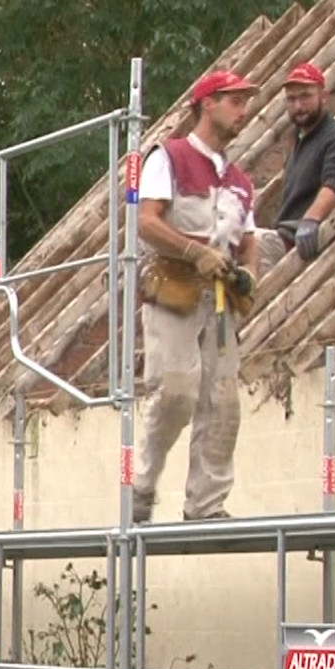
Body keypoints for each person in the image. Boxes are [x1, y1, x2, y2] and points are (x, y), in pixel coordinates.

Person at [131, 69, 260, 524]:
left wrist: (248, 273)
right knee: (175, 393)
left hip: (219, 299)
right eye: (235, 101)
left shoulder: (240, 179)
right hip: (175, 290)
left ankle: (206, 505)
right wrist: (193, 250)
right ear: (208, 103)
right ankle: (141, 488)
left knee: (222, 403)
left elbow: (248, 238)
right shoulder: (170, 157)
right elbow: (146, 222)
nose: (243, 111)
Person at [260, 62, 335, 267]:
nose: (298, 106)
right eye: (292, 99)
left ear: (323, 97)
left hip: (302, 242)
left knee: (250, 248)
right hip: (283, 235)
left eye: (306, 96)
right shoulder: (300, 142)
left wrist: (311, 220)